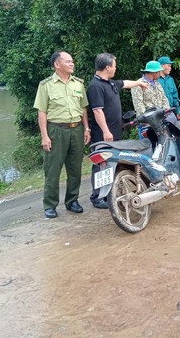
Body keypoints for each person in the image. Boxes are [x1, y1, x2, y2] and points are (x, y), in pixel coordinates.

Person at [33, 51, 91, 219]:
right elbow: (42, 112)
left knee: (75, 169)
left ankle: (72, 201)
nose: (72, 64)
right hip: (56, 130)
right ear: (57, 65)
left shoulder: (78, 84)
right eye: (68, 61)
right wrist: (45, 136)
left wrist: (86, 129)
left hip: (77, 129)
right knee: (53, 169)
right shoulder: (46, 85)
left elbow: (83, 108)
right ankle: (50, 205)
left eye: (72, 61)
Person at [87, 53, 148, 209]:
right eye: (114, 65)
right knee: (101, 163)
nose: (115, 68)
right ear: (107, 67)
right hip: (103, 134)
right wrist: (106, 131)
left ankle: (111, 193)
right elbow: (97, 111)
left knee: (113, 162)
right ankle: (97, 197)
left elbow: (125, 83)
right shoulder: (95, 86)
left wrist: (139, 83)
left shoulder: (110, 83)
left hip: (115, 132)